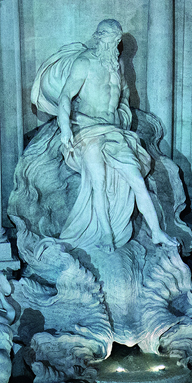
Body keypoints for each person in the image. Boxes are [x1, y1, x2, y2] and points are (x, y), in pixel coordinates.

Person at [26, 18, 176, 251]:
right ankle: (106, 234)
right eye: (109, 39)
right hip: (88, 130)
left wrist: (124, 115)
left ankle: (156, 232)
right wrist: (65, 129)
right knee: (99, 183)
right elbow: (66, 96)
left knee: (137, 180)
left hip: (114, 132)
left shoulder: (118, 65)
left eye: (117, 40)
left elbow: (123, 94)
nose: (114, 45)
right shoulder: (83, 63)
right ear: (98, 38)